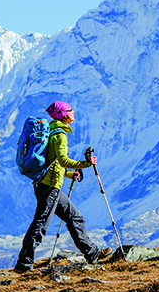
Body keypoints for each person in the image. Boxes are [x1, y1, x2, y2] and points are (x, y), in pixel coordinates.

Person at [14, 100, 106, 272]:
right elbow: (63, 160)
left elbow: (53, 163)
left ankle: (92, 253)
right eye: (71, 110)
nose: (74, 113)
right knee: (40, 225)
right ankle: (23, 265)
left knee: (74, 217)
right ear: (63, 115)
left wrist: (70, 174)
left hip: (46, 185)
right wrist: (86, 163)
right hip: (50, 188)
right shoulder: (60, 135)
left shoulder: (52, 131)